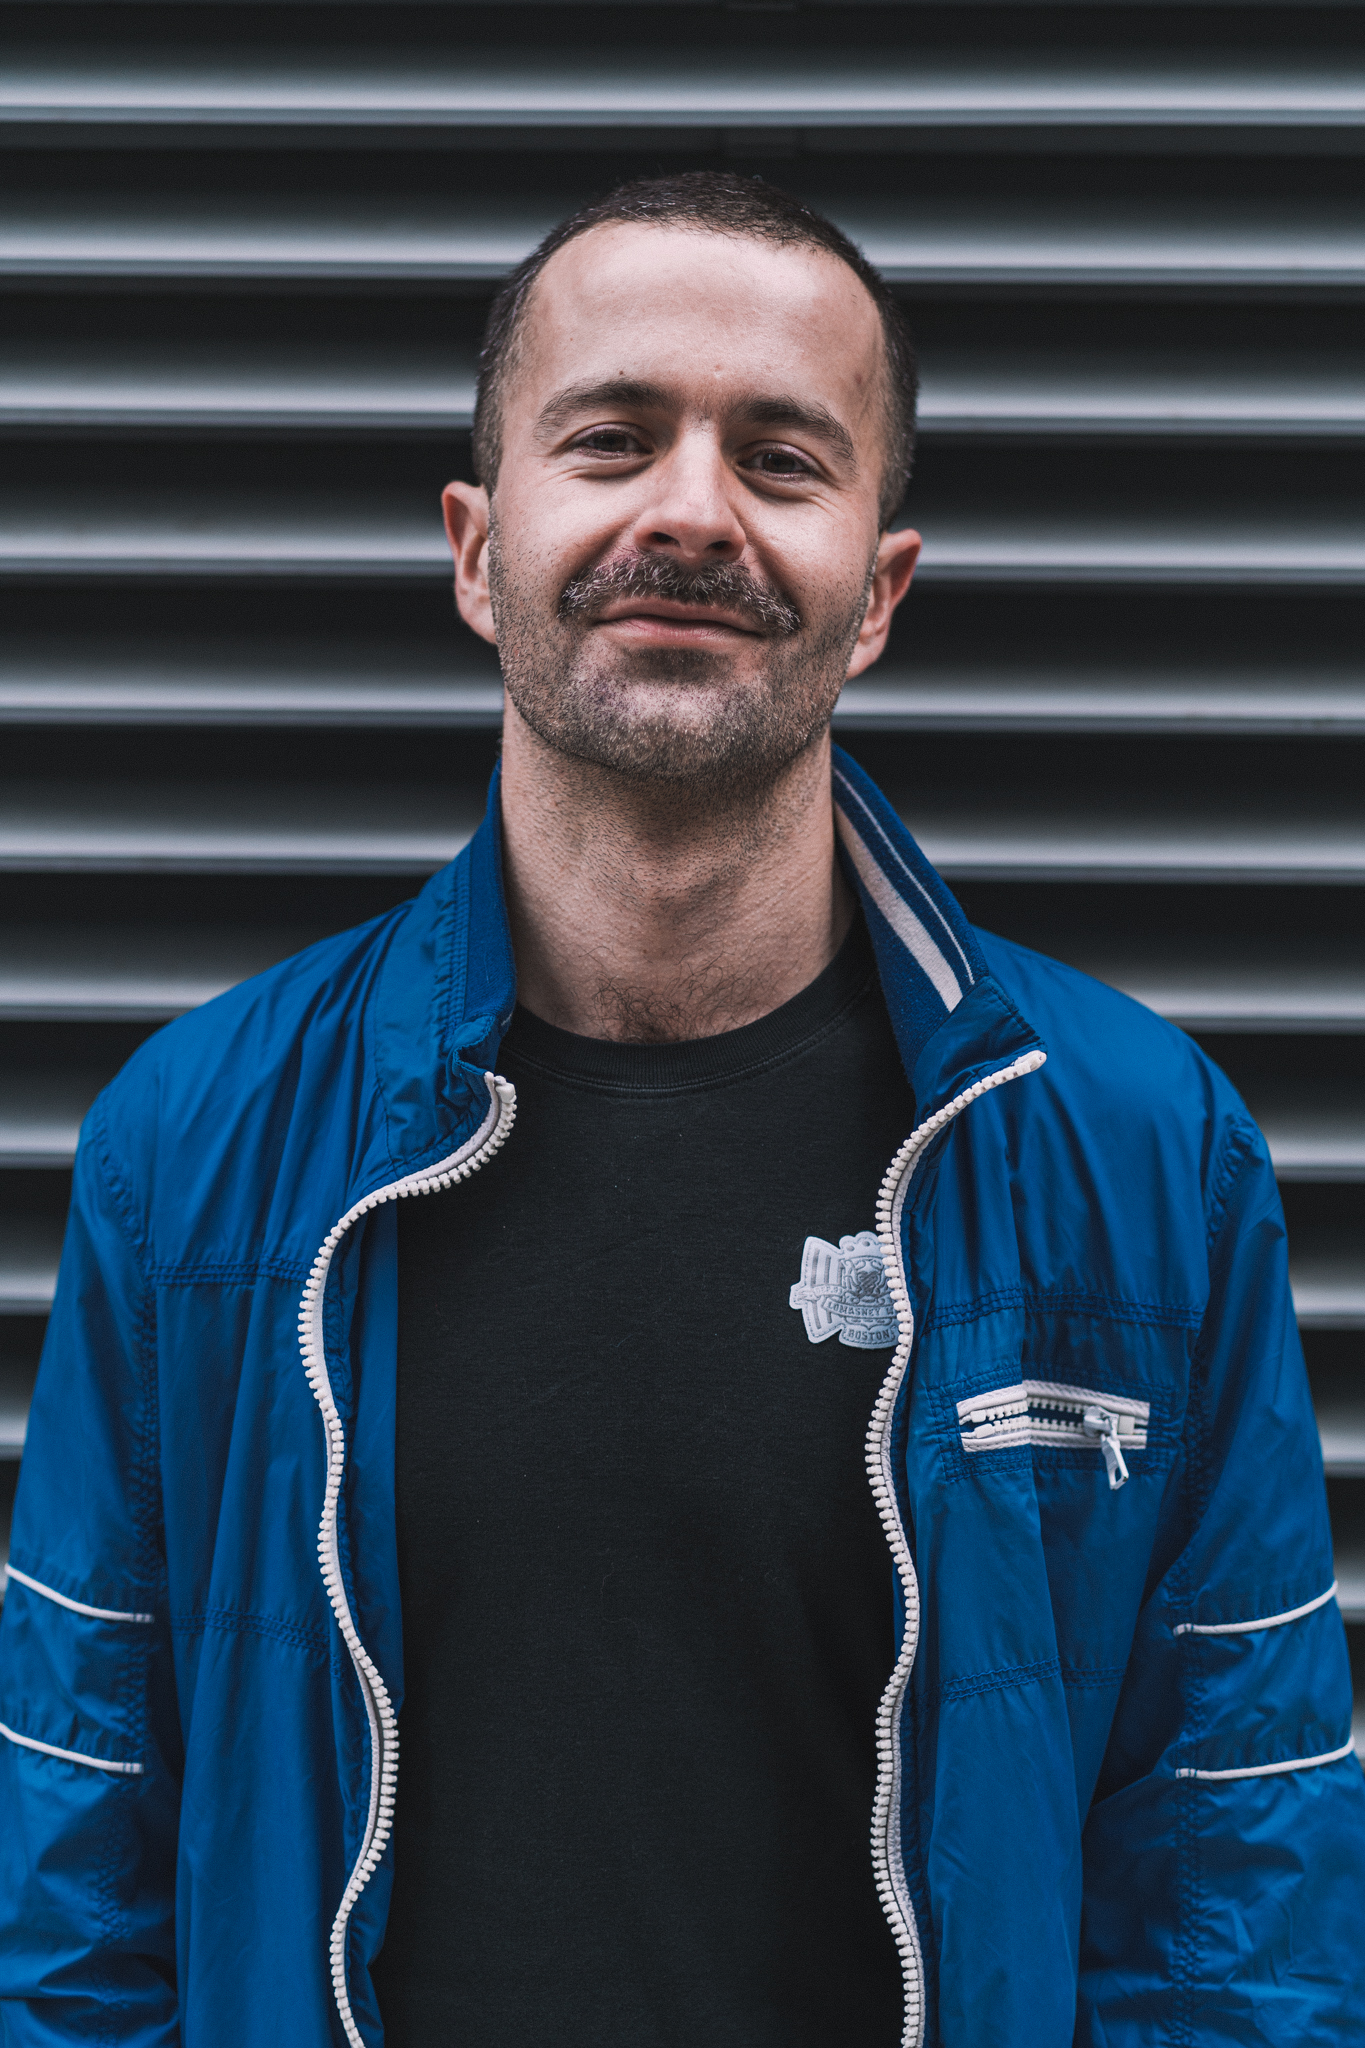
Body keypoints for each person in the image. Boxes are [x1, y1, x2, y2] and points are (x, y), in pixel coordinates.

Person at [0, 171, 1360, 2048]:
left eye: (781, 459)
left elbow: (1238, 1904)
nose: (691, 511)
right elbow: (69, 1876)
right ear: (477, 549)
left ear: (876, 594)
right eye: (612, 438)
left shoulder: (1140, 1154)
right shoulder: (193, 1150)